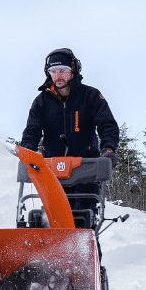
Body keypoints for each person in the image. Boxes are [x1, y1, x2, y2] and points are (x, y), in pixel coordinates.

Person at [20, 48, 120, 213]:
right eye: (53, 71)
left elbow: (107, 124)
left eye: (62, 70)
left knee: (82, 216)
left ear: (73, 70)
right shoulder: (42, 101)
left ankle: (83, 238)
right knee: (52, 218)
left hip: (86, 168)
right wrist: (27, 153)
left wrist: (108, 149)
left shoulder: (90, 96)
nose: (58, 76)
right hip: (52, 170)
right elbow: (32, 131)